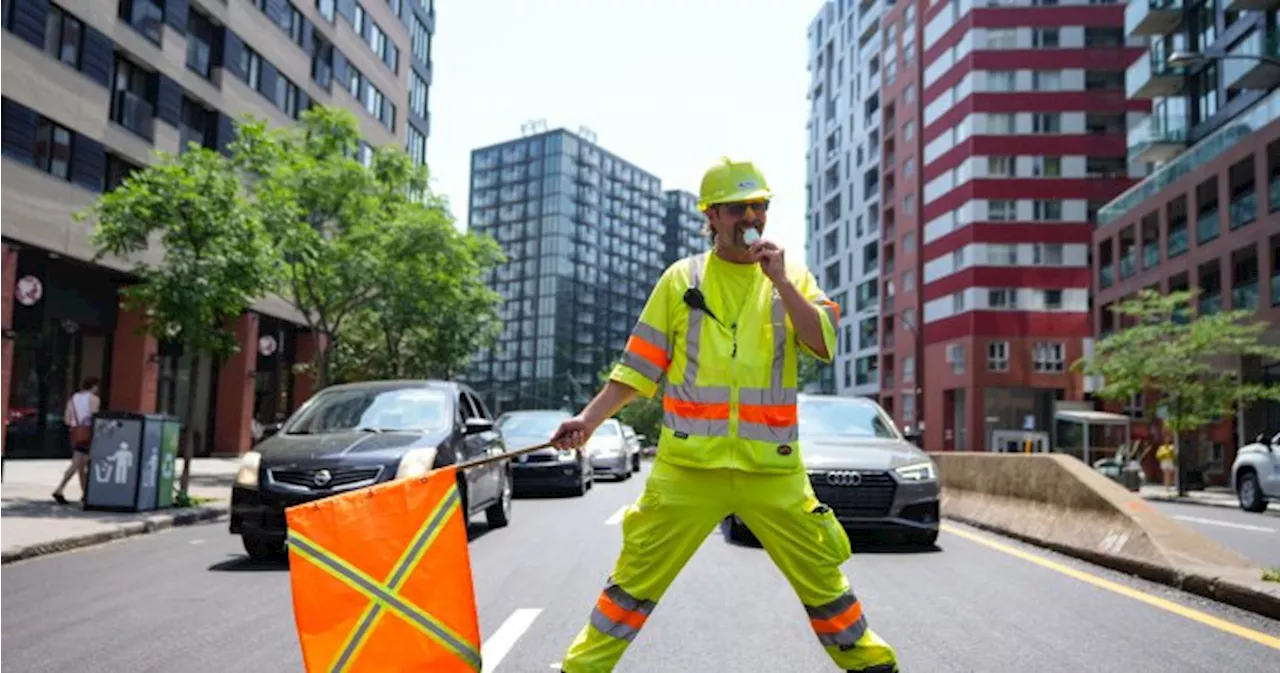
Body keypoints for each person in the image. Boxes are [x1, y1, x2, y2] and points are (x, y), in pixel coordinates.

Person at [549, 158, 900, 673]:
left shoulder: (792, 275)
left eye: (759, 206)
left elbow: (823, 341)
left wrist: (780, 282)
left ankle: (871, 664)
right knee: (634, 577)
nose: (751, 216)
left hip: (772, 469)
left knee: (823, 579)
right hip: (689, 469)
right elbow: (638, 368)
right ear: (711, 215)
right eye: (738, 208)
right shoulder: (681, 279)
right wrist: (589, 420)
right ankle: (580, 669)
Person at [53, 376, 101, 505]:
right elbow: (94, 416)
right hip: (88, 433)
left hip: (75, 433)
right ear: (94, 386)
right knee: (80, 464)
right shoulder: (94, 399)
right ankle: (61, 489)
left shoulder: (73, 399)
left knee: (79, 464)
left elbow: (67, 420)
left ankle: (84, 494)